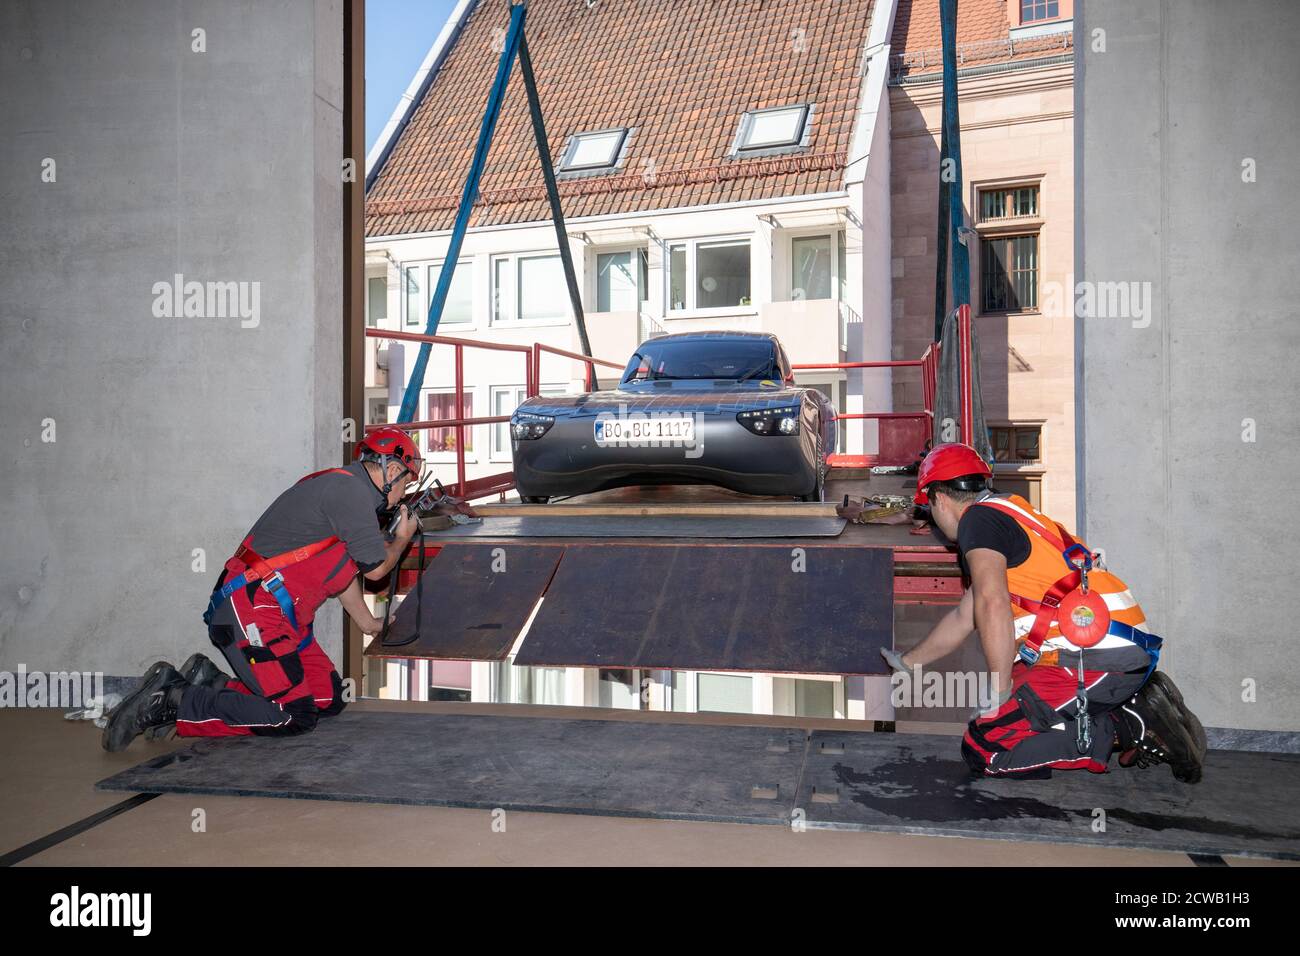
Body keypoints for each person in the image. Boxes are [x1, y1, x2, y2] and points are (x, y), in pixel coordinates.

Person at [882, 442, 1206, 781]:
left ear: (939, 499)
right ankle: (1128, 702)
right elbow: (966, 617)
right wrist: (909, 662)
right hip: (1108, 646)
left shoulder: (976, 522)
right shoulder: (1007, 513)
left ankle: (1127, 725)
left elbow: (993, 605)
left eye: (928, 508)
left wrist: (999, 686)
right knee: (1003, 708)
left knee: (985, 746)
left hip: (1094, 658)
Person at [103, 428, 423, 750]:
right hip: (252, 610)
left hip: (279, 618)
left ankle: (210, 682)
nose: (403, 495)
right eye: (405, 485)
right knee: (293, 716)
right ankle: (171, 699)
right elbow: (378, 569)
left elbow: (340, 575)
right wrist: (402, 539)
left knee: (328, 698)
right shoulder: (351, 493)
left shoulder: (344, 489)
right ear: (393, 471)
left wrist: (368, 623)